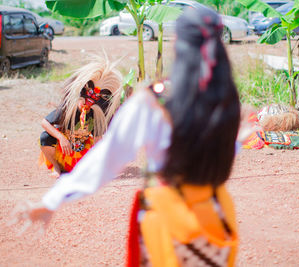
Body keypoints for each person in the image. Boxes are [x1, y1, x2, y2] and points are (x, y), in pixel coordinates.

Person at [13, 6, 256, 266]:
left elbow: (108, 157)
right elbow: (210, 153)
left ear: (177, 44)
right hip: (217, 218)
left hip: (168, 218)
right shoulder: (226, 99)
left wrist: (52, 200)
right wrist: (237, 143)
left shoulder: (155, 100)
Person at [39, 57, 122, 178]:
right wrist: (61, 138)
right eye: (85, 100)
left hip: (82, 149)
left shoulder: (96, 115)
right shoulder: (68, 109)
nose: (86, 105)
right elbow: (44, 122)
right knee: (45, 137)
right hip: (63, 147)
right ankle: (57, 167)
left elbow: (98, 140)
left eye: (92, 102)